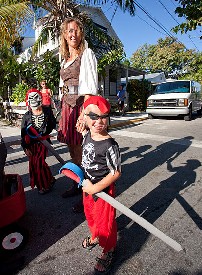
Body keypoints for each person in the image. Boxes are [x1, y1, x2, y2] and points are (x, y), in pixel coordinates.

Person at [57, 17, 98, 212]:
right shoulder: (65, 61)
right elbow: (62, 86)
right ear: (64, 36)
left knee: (83, 151)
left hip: (81, 106)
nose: (73, 34)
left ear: (81, 33)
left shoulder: (87, 54)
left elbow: (89, 88)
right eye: (69, 31)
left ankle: (88, 193)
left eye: (76, 30)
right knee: (73, 149)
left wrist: (84, 114)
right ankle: (78, 184)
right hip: (67, 107)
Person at [80, 96, 121, 274]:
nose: (99, 121)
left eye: (104, 116)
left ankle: (109, 249)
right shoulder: (87, 134)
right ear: (86, 117)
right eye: (94, 116)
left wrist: (95, 189)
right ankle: (96, 236)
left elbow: (116, 172)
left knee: (106, 223)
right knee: (91, 216)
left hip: (102, 190)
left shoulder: (110, 145)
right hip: (88, 187)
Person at [21, 89, 56, 194]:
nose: (34, 101)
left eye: (36, 97)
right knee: (34, 164)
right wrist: (25, 148)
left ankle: (44, 186)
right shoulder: (26, 116)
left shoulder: (47, 111)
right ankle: (49, 179)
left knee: (38, 163)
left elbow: (53, 124)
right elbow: (23, 134)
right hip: (31, 144)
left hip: (43, 143)